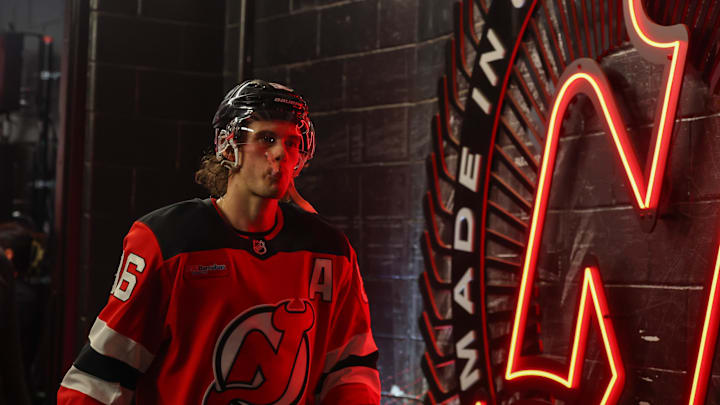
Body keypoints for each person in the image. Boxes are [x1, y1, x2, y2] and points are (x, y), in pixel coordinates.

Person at [57, 80, 381, 404]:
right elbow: (100, 377)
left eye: (293, 141)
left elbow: (351, 369)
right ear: (228, 146)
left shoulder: (329, 249)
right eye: (267, 138)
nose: (282, 153)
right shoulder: (167, 240)